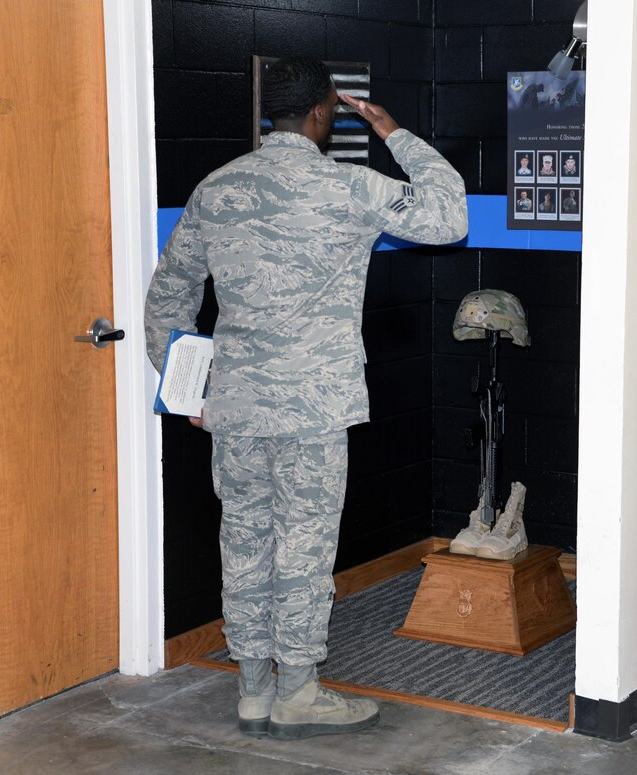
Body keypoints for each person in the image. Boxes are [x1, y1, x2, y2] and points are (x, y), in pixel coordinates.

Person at [144, 57, 467, 741]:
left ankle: (253, 689)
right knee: (303, 547)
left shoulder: (217, 188)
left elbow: (170, 294)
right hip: (313, 409)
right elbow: (449, 217)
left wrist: (187, 391)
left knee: (245, 539)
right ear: (323, 114)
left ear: (272, 114)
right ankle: (297, 692)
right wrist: (395, 132)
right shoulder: (348, 185)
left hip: (234, 408)